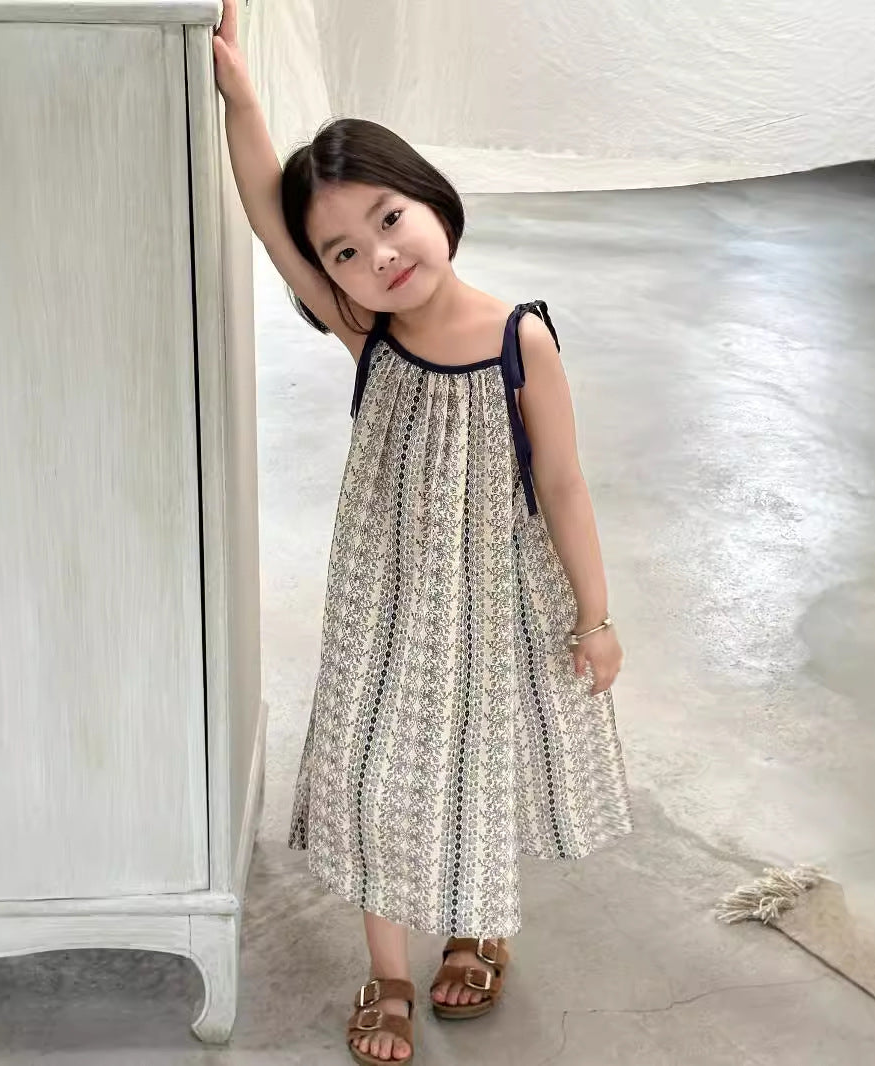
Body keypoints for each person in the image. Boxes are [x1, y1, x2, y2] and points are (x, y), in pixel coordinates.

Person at [213, 2, 633, 1061]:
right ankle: (388, 974)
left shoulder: (520, 340)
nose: (381, 256)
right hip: (385, 602)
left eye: (390, 217)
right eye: (346, 251)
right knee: (372, 777)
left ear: (431, 198)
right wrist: (242, 95)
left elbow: (564, 483)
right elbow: (267, 211)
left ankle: (478, 930)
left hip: (493, 599)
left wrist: (594, 617)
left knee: (477, 769)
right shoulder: (366, 330)